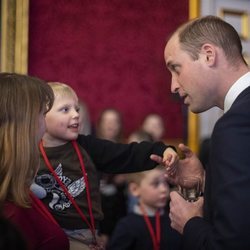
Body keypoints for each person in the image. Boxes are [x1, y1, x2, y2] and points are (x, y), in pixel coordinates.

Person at [35, 82, 179, 250]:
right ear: (42, 115)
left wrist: (162, 150)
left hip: (84, 235)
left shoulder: (86, 146)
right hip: (44, 235)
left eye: (77, 109)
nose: (76, 115)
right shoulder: (28, 152)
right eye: (65, 110)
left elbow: (126, 153)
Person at [164, 15, 250, 249]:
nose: (173, 85)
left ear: (208, 55)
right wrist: (209, 181)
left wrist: (189, 222)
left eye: (176, 68)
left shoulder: (235, 125)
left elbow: (232, 244)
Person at [0, 73, 69, 250]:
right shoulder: (9, 211)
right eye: (41, 114)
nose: (44, 124)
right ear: (23, 126)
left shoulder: (17, 189)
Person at [107, 165, 181, 250]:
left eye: (166, 182)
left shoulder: (175, 221)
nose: (163, 189)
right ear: (135, 189)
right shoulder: (127, 226)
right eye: (156, 184)